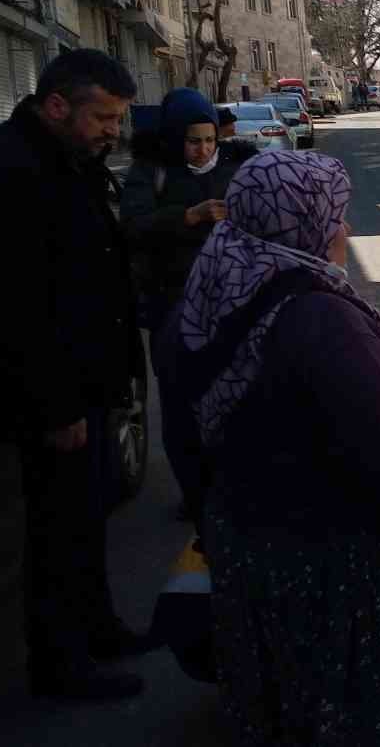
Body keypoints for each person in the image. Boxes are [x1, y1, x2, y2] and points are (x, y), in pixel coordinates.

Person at [153, 150, 380, 744]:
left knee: (280, 701)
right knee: (345, 711)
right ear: (301, 222)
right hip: (334, 568)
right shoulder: (315, 316)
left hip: (248, 546)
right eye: (336, 215)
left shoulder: (207, 295)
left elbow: (186, 438)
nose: (346, 229)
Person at [0, 49, 153, 700]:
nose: (114, 130)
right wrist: (54, 408)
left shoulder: (67, 160)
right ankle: (60, 664)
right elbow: (12, 307)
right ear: (57, 106)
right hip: (54, 398)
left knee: (89, 516)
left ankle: (98, 628)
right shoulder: (10, 170)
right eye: (103, 117)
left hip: (91, 383)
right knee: (56, 531)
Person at [122, 88, 257, 519]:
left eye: (209, 140)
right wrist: (188, 217)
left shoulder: (239, 167)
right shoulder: (152, 171)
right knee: (181, 408)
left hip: (231, 306)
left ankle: (233, 488)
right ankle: (196, 496)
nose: (202, 150)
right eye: (192, 141)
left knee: (236, 400)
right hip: (172, 307)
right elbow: (133, 225)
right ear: (173, 138)